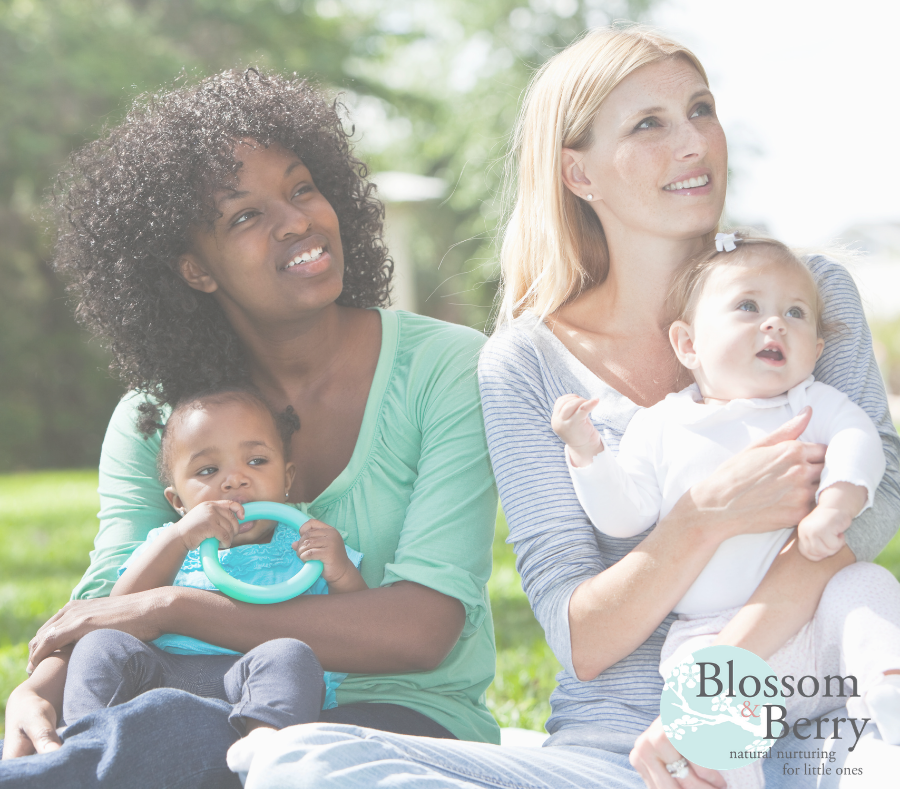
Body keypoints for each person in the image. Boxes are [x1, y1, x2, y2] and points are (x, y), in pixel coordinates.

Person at [211, 26, 900, 789]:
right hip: (616, 752)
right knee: (301, 760)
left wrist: (718, 690)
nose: (694, 141)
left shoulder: (802, 293)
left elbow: (873, 500)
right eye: (650, 123)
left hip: (815, 731)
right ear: (578, 172)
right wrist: (705, 514)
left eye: (700, 109)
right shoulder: (526, 362)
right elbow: (583, 636)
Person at [0, 67, 499, 787]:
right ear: (195, 269)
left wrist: (174, 605)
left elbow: (423, 629)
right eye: (244, 215)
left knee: (182, 742)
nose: (296, 221)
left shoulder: (447, 369)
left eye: (301, 188)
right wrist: (36, 690)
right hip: (187, 702)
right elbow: (109, 597)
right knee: (167, 728)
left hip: (400, 723)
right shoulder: (157, 418)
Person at [551, 233, 900, 787]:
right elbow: (624, 515)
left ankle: (888, 687)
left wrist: (838, 502)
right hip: (708, 634)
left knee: (866, 587)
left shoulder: (809, 402)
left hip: (817, 625)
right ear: (687, 344)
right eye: (747, 306)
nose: (774, 323)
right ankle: (733, 775)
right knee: (712, 724)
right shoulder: (661, 425)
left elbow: (863, 441)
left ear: (815, 351)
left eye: (795, 312)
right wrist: (587, 454)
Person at [63, 385, 366, 734]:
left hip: (253, 678)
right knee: (99, 645)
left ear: (287, 479)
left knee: (291, 656)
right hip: (159, 672)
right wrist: (176, 540)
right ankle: (85, 742)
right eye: (207, 470)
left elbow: (360, 626)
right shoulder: (168, 544)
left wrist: (341, 572)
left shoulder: (307, 543)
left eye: (256, 461)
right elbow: (120, 610)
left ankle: (264, 751)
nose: (234, 480)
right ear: (178, 502)